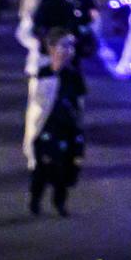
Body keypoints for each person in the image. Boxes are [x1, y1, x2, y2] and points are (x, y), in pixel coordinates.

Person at [28, 31, 87, 217]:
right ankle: (35, 199)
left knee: (65, 168)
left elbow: (79, 104)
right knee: (43, 168)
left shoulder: (74, 76)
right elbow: (37, 102)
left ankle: (59, 202)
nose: (66, 51)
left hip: (67, 129)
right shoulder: (43, 72)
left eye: (70, 46)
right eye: (62, 45)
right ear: (51, 48)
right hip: (47, 128)